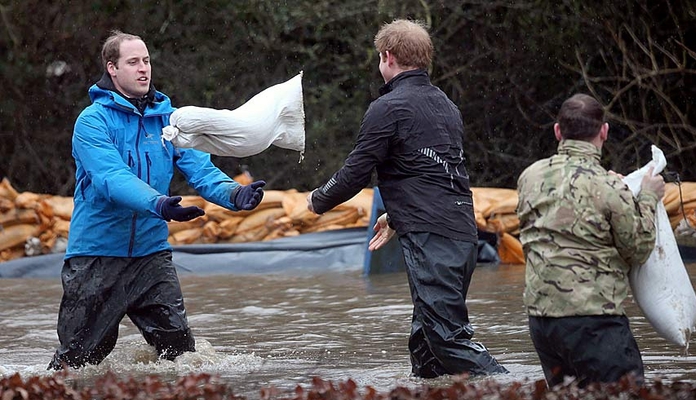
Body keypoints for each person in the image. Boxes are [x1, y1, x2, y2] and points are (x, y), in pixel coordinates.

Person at [48, 30, 266, 370]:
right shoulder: (92, 122)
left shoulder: (170, 119)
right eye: (133, 62)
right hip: (97, 256)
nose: (143, 69)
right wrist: (159, 204)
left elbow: (201, 170)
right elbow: (111, 179)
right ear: (112, 69)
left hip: (152, 257)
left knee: (182, 358)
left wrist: (235, 194)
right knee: (77, 365)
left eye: (146, 61)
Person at [306, 19, 507, 378]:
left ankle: (518, 394)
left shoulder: (388, 108)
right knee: (426, 343)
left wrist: (317, 200)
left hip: (434, 238)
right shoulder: (446, 105)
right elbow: (434, 171)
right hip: (460, 233)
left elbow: (355, 172)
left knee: (448, 338)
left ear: (388, 57)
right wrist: (396, 217)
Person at [516, 93, 666, 387]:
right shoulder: (608, 186)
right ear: (604, 132)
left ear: (558, 131)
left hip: (542, 321)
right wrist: (647, 196)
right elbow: (639, 248)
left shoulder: (529, 177)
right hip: (593, 319)